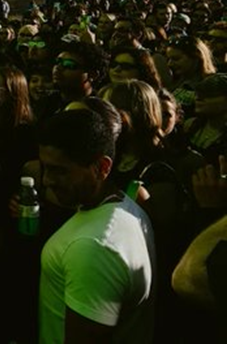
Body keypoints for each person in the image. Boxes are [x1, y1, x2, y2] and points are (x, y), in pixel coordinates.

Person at [38, 109, 156, 344]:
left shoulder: (92, 247)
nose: (46, 180)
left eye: (59, 170)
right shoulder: (123, 207)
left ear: (102, 167)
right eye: (45, 168)